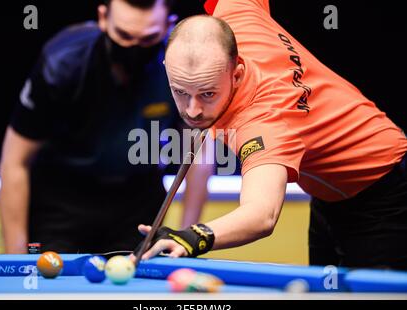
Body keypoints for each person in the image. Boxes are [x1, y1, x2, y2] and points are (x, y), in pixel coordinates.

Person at [134, 0, 407, 270]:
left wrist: (191, 237)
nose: (193, 110)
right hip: (330, 195)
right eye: (181, 92)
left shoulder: (263, 122)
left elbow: (261, 215)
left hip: (383, 193)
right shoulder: (238, 11)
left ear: (237, 73)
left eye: (208, 93)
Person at [0, 0, 213, 254]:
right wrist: (17, 258)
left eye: (147, 39)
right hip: (60, 200)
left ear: (168, 25)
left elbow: (200, 153)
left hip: (137, 202)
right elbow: (14, 162)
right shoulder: (62, 63)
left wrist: (185, 239)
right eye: (124, 35)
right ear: (103, 17)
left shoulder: (183, 68)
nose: (134, 47)